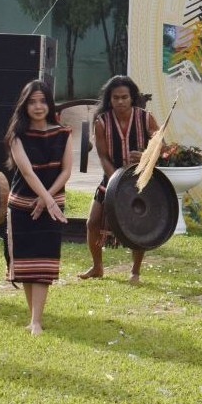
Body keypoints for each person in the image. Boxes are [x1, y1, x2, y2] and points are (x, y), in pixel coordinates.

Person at [3, 80, 71, 335]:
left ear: (50, 104)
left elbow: (66, 172)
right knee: (27, 265)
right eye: (32, 102)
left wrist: (47, 199)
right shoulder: (16, 136)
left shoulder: (64, 133)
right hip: (22, 206)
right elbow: (27, 172)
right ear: (24, 105)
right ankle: (33, 317)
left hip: (51, 206)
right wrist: (47, 199)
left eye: (42, 101)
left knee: (43, 264)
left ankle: (36, 320)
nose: (38, 106)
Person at [79, 75, 160, 283]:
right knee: (92, 222)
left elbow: (162, 147)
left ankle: (135, 271)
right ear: (110, 99)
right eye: (116, 98)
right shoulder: (102, 122)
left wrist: (145, 156)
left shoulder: (146, 118)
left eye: (125, 97)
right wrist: (115, 181)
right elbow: (103, 157)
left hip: (140, 180)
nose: (121, 101)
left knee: (139, 225)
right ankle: (97, 266)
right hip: (110, 179)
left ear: (132, 97)